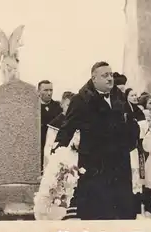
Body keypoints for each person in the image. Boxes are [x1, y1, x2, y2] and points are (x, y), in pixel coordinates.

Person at [52, 61, 140, 220]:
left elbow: (131, 122)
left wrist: (129, 142)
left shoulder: (119, 96)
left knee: (121, 210)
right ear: (94, 78)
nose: (110, 79)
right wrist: (58, 153)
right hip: (95, 164)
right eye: (105, 75)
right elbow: (68, 127)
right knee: (97, 210)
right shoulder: (81, 100)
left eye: (111, 75)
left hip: (120, 162)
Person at [42, 91, 76, 169]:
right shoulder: (55, 124)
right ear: (61, 104)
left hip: (73, 157)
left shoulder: (76, 121)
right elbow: (49, 146)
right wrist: (46, 166)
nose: (71, 108)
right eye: (68, 105)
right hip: (58, 158)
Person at [38, 80, 63, 168]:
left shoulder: (58, 106)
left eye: (51, 90)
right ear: (39, 91)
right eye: (46, 90)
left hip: (54, 143)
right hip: (39, 144)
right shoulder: (33, 107)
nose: (49, 93)